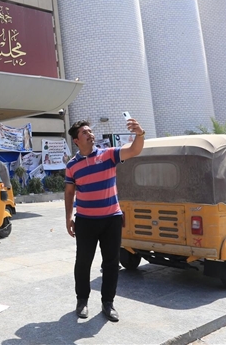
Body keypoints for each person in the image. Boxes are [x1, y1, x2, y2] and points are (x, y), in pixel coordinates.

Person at [64, 117, 145, 323]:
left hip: (111, 219)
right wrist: (68, 217)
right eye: (85, 132)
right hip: (85, 221)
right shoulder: (72, 165)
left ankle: (108, 303)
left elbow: (134, 150)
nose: (90, 134)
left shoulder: (108, 154)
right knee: (83, 262)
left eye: (90, 131)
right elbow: (69, 192)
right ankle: (82, 300)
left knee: (111, 263)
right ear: (76, 140)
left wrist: (139, 134)